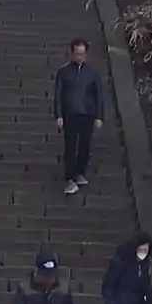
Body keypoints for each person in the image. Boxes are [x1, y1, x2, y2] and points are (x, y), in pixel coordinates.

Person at [52, 35, 106, 195]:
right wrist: (58, 115)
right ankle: (69, 177)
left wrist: (99, 116)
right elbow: (58, 95)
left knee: (84, 145)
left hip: (87, 114)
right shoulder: (63, 72)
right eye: (77, 54)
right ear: (71, 53)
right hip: (70, 113)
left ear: (86, 54)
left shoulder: (93, 73)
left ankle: (80, 172)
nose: (79, 57)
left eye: (82, 54)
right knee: (70, 146)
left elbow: (99, 96)